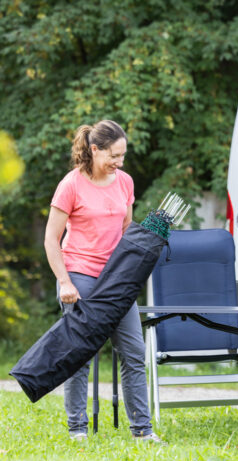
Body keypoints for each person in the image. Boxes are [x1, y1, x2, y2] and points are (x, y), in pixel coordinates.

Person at [44, 119, 162, 443]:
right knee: (81, 354)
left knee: (134, 352)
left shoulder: (124, 183)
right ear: (94, 150)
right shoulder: (71, 185)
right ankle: (77, 429)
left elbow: (126, 233)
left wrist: (141, 257)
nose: (119, 162)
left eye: (123, 156)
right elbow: (51, 240)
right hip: (79, 273)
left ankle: (142, 431)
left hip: (117, 278)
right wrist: (65, 283)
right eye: (113, 155)